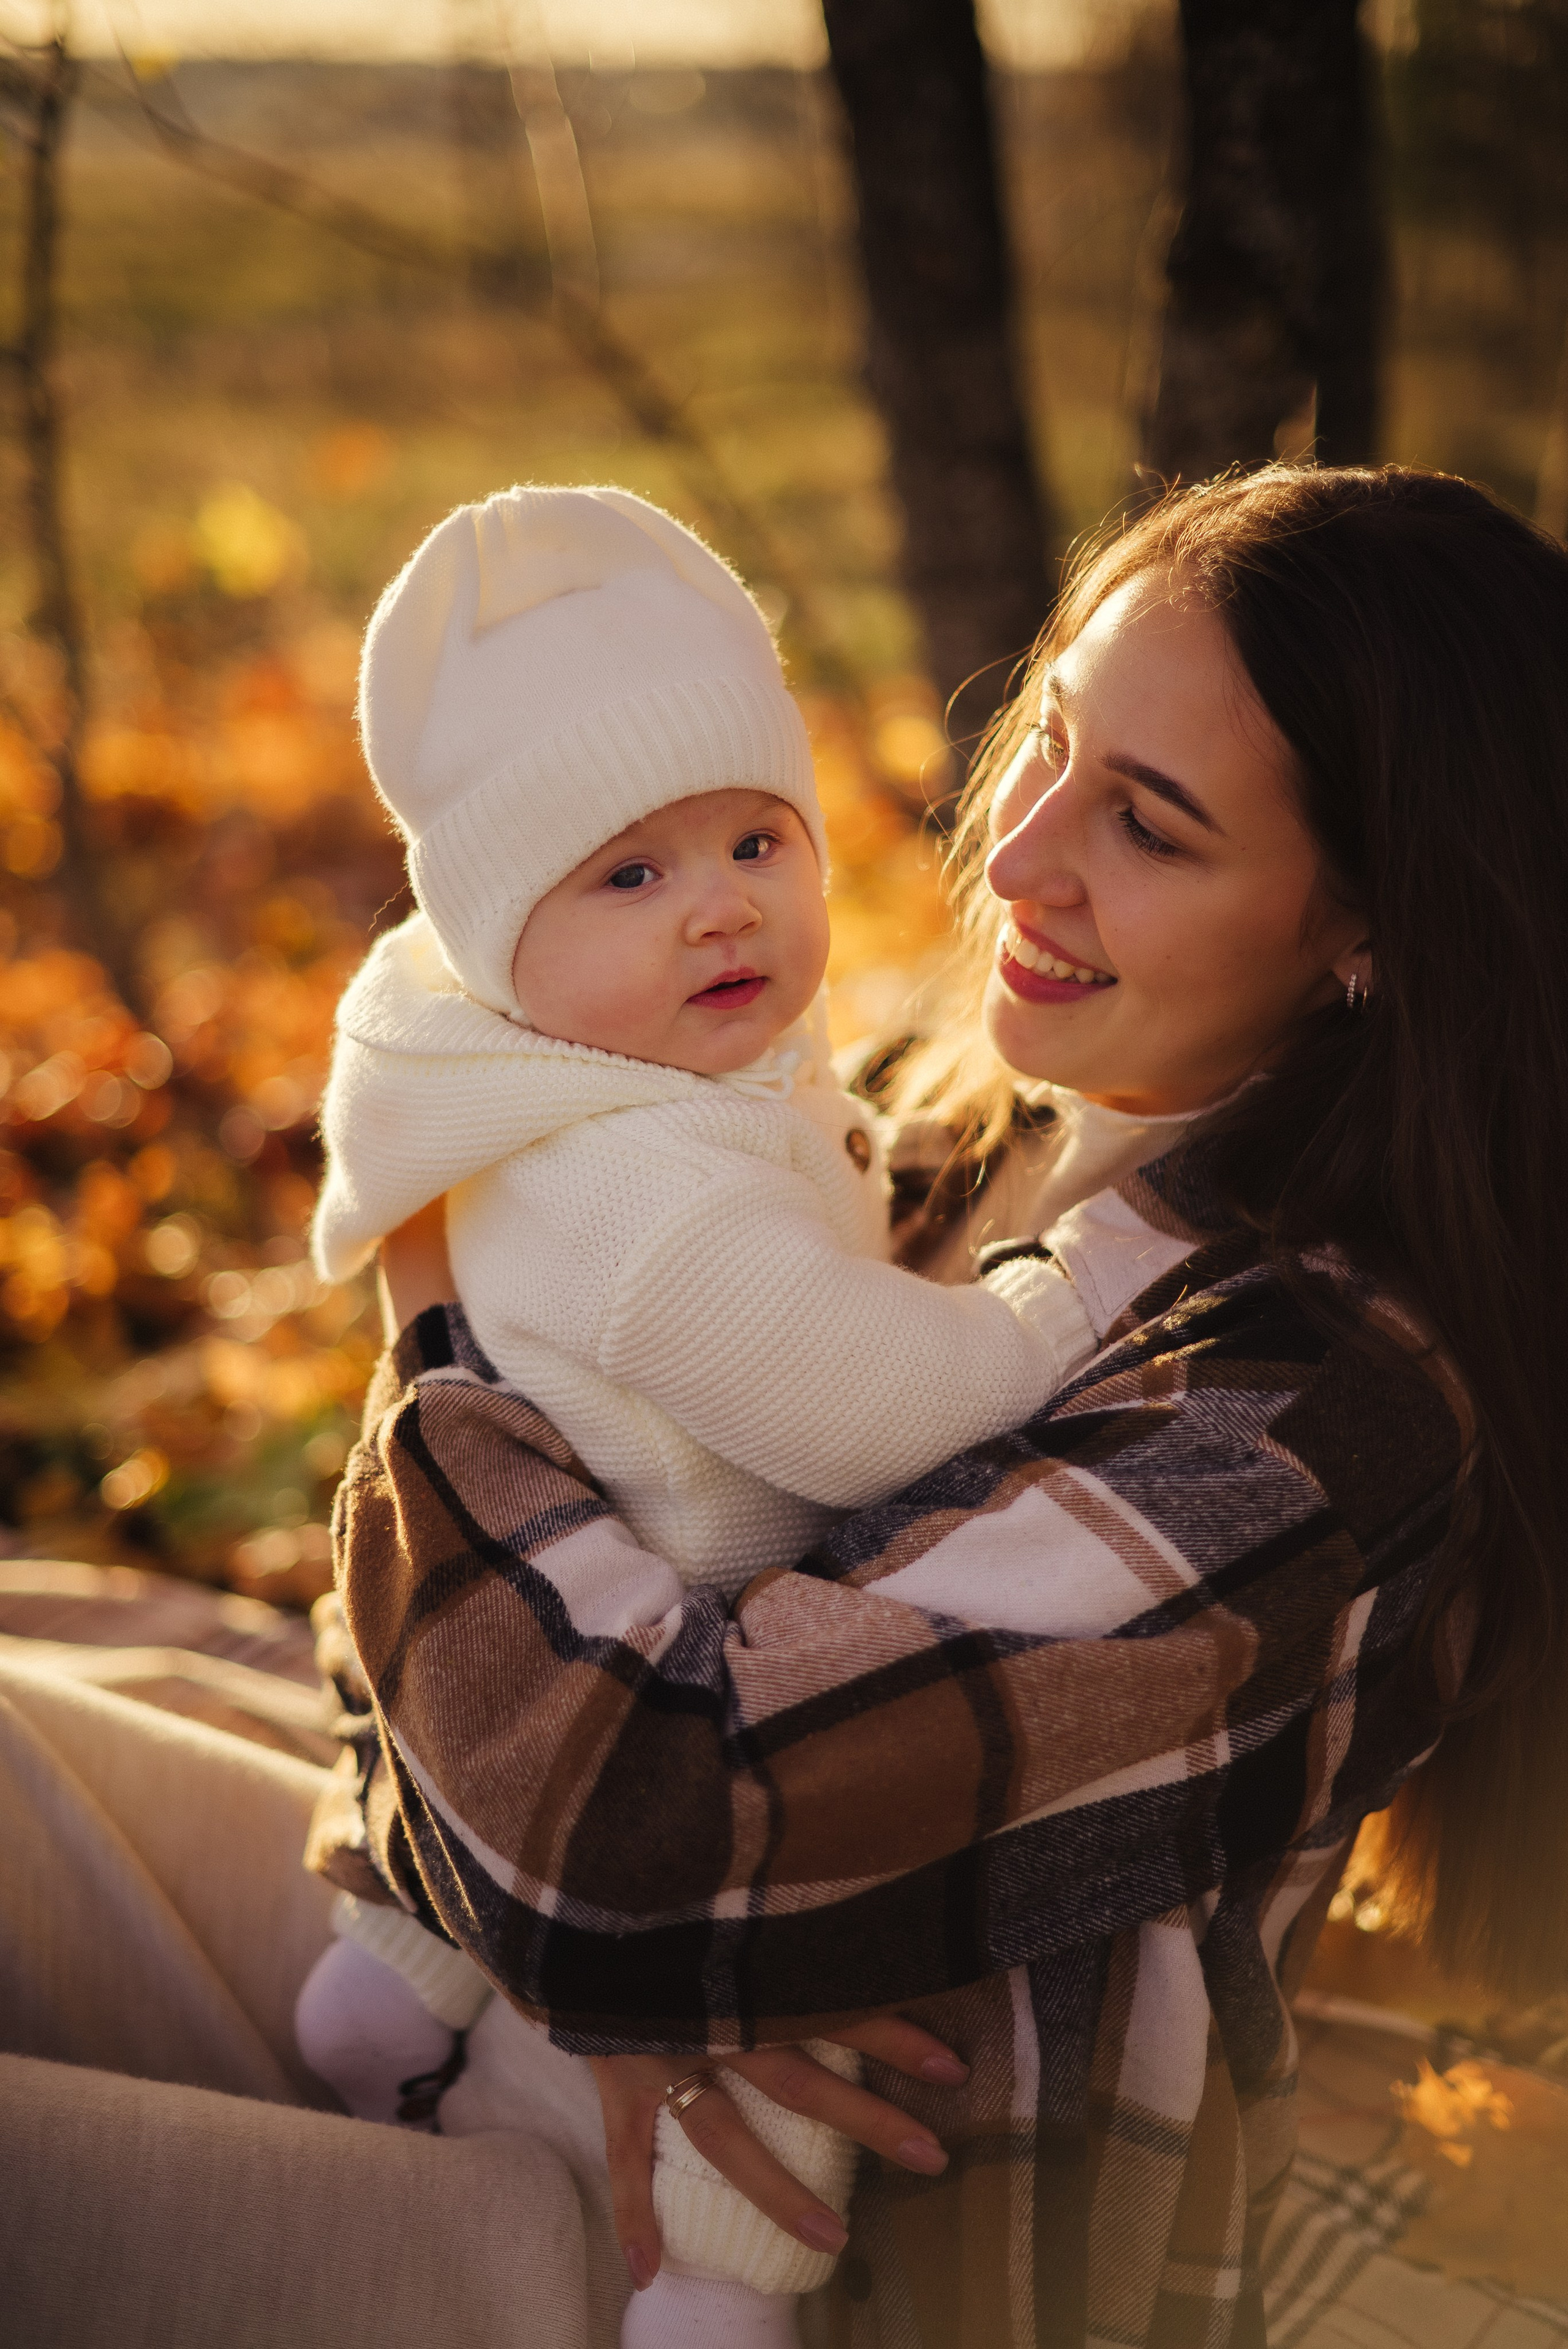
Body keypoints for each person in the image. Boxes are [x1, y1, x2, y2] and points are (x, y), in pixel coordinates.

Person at [3, 462, 1564, 2349]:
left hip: (795, 2256)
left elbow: (633, 1829)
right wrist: (580, 1933)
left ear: (1368, 928)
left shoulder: (1317, 1417)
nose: (1017, 859)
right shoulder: (956, 1107)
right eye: (1051, 740)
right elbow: (554, 1621)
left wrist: (428, 1332)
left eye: (1147, 825)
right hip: (553, 2020)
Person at [296, 483, 1115, 2349]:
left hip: (521, 1619)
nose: (724, 904)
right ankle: (714, 2302)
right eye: (630, 875)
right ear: (504, 940)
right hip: (672, 1649)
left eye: (758, 835)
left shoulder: (583, 1079)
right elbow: (864, 1404)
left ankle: (385, 1974)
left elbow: (808, 1182)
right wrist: (1050, 1306)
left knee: (486, 1746)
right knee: (801, 1989)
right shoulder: (650, 1203)